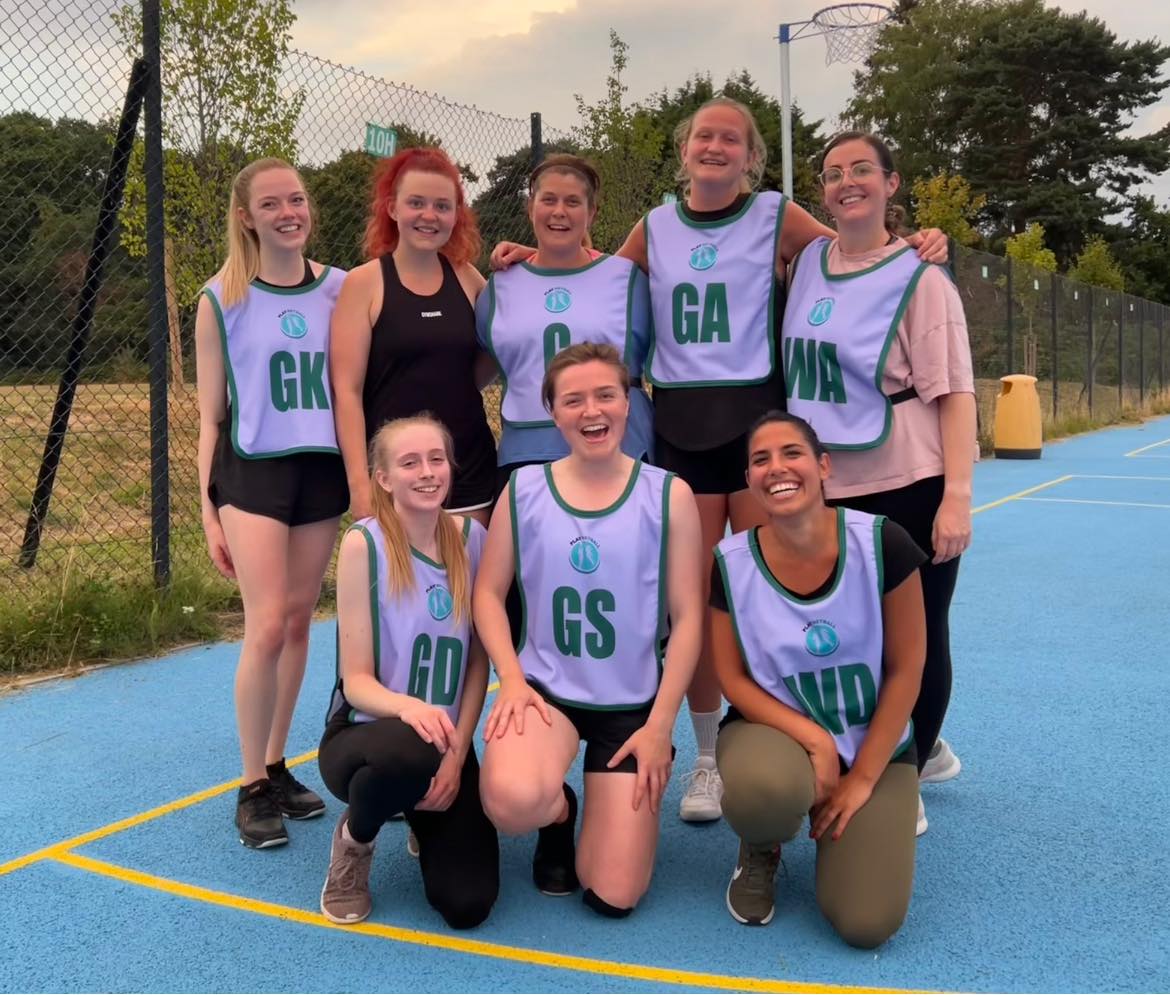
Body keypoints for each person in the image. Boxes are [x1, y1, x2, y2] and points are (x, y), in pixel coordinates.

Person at [492, 98, 948, 824]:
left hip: (756, 424)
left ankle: (865, 731)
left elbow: (856, 253)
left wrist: (918, 241)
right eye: (703, 135)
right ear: (684, 150)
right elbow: (590, 278)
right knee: (704, 600)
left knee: (782, 590)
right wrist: (525, 260)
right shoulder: (655, 227)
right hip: (683, 427)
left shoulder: (775, 214)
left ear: (750, 156)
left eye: (730, 138)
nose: (715, 146)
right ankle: (707, 758)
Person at [782, 132, 975, 834]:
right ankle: (913, 745)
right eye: (833, 173)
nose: (847, 182)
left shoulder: (923, 278)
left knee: (912, 636)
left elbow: (955, 392)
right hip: (827, 483)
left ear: (892, 184)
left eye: (862, 169)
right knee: (845, 636)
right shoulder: (807, 261)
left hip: (908, 480)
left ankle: (908, 768)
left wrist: (956, 498)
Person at [474, 343, 703, 918]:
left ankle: (608, 818)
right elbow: (487, 594)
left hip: (631, 704)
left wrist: (660, 726)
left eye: (605, 395)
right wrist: (511, 678)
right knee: (510, 802)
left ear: (628, 403)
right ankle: (558, 814)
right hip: (547, 691)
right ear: (552, 412)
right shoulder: (523, 489)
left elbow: (688, 618)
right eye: (573, 400)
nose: (591, 411)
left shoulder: (668, 494)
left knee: (612, 894)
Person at [711, 412, 925, 947]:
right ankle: (762, 841)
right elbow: (732, 678)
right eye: (761, 460)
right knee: (765, 793)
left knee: (866, 924)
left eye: (792, 453)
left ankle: (842, 815)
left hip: (871, 741)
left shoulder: (884, 543)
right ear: (750, 479)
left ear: (824, 465)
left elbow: (907, 668)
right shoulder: (731, 563)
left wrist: (864, 777)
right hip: (775, 736)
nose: (777, 468)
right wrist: (815, 741)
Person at [196, 157, 347, 849]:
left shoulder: (341, 288)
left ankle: (279, 762)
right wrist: (208, 509)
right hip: (253, 471)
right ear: (246, 216)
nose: (289, 212)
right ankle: (251, 783)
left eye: (297, 199)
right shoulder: (221, 297)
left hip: (320, 467)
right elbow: (211, 417)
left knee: (297, 620)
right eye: (271, 204)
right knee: (263, 624)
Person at [317, 415, 498, 929]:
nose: (427, 472)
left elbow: (478, 660)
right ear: (383, 478)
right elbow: (356, 682)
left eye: (436, 459)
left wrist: (458, 753)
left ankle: (418, 806)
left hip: (443, 740)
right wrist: (411, 709)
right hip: (367, 735)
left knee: (468, 904)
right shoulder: (364, 544)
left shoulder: (473, 539)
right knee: (410, 746)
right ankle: (355, 841)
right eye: (410, 463)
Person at [331, 146, 497, 527]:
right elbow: (347, 392)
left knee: (467, 568)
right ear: (392, 208)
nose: (429, 215)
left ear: (456, 214)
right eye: (416, 203)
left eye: (442, 206)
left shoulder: (468, 278)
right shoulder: (364, 284)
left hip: (467, 471)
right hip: (396, 480)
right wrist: (359, 484)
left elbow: (484, 364)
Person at [476, 153, 653, 494]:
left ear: (592, 213)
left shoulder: (629, 281)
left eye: (573, 202)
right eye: (549, 200)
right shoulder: (499, 288)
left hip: (619, 448)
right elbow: (481, 366)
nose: (559, 211)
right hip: (527, 453)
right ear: (531, 208)